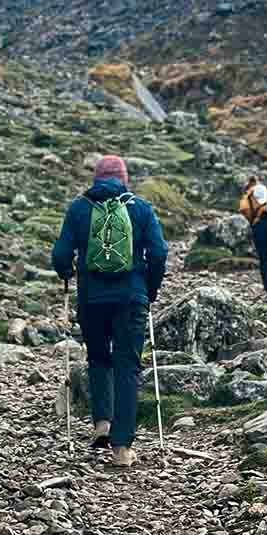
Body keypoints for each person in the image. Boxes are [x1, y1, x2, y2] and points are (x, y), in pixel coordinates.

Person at [51, 155, 167, 469]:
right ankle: (121, 447)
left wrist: (67, 272)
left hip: (92, 299)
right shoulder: (140, 208)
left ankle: (102, 421)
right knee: (127, 365)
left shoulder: (79, 207)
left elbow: (60, 254)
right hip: (131, 297)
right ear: (124, 178)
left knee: (98, 357)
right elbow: (159, 252)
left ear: (96, 178)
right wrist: (149, 288)